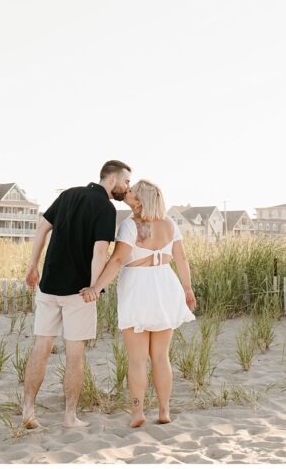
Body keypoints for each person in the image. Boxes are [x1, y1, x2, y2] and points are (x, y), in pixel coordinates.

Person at [21, 160, 132, 429]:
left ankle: (28, 411)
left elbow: (42, 227)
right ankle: (70, 416)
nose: (127, 187)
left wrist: (33, 265)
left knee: (41, 348)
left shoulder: (68, 194)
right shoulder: (105, 207)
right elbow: (99, 252)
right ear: (112, 180)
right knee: (75, 354)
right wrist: (95, 287)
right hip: (78, 293)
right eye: (126, 182)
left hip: (48, 286)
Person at [81, 179, 196, 427]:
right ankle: (164, 411)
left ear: (141, 199)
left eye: (132, 191)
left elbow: (117, 260)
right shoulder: (170, 224)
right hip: (166, 285)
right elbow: (182, 259)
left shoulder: (130, 226)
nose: (128, 192)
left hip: (138, 289)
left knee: (137, 359)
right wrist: (187, 289)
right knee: (161, 356)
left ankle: (137, 413)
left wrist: (96, 287)